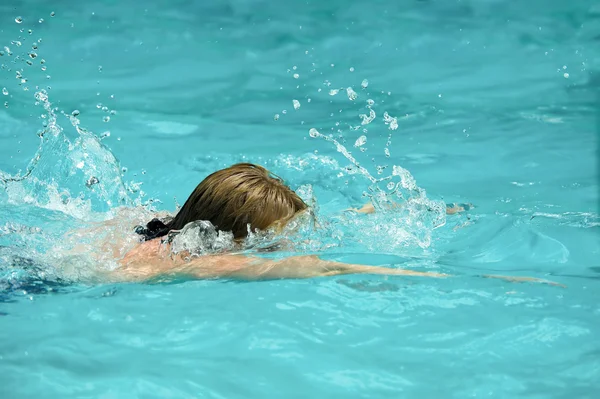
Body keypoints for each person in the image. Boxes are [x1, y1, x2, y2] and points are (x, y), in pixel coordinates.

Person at [112, 163, 561, 286]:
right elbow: (326, 268)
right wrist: (476, 278)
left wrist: (371, 212)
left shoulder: (170, 227)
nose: (284, 241)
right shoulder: (198, 264)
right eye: (272, 235)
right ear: (235, 234)